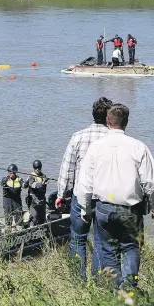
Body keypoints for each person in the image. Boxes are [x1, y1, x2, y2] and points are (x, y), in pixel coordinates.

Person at [74, 104, 154, 288]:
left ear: (107, 121)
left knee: (108, 251)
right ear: (126, 123)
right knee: (130, 248)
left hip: (104, 209)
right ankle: (128, 289)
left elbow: (84, 184)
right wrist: (153, 204)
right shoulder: (138, 147)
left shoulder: (96, 148)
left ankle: (114, 291)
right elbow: (152, 183)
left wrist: (86, 209)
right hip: (131, 209)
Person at [57, 96, 113, 277]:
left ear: (93, 115)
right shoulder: (115, 140)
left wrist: (61, 194)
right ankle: (99, 281)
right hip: (107, 197)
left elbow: (67, 168)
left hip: (81, 196)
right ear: (108, 117)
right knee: (101, 241)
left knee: (78, 238)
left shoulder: (78, 136)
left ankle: (77, 279)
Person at [23, 160, 48, 226]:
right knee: (33, 217)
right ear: (34, 168)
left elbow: (44, 188)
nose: (37, 169)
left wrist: (45, 183)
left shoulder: (44, 176)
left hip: (42, 199)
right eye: (36, 168)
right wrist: (41, 184)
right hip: (33, 200)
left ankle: (42, 228)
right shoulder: (31, 176)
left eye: (39, 168)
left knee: (42, 216)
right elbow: (32, 185)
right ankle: (31, 229)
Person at [1, 164, 25, 230]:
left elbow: (24, 186)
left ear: (15, 173)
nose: (10, 174)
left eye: (12, 173)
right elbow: (2, 183)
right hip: (7, 200)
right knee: (8, 216)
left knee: (18, 215)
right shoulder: (5, 179)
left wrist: (26, 183)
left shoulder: (20, 179)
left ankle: (19, 229)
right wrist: (6, 179)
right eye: (9, 172)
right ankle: (8, 229)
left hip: (16, 200)